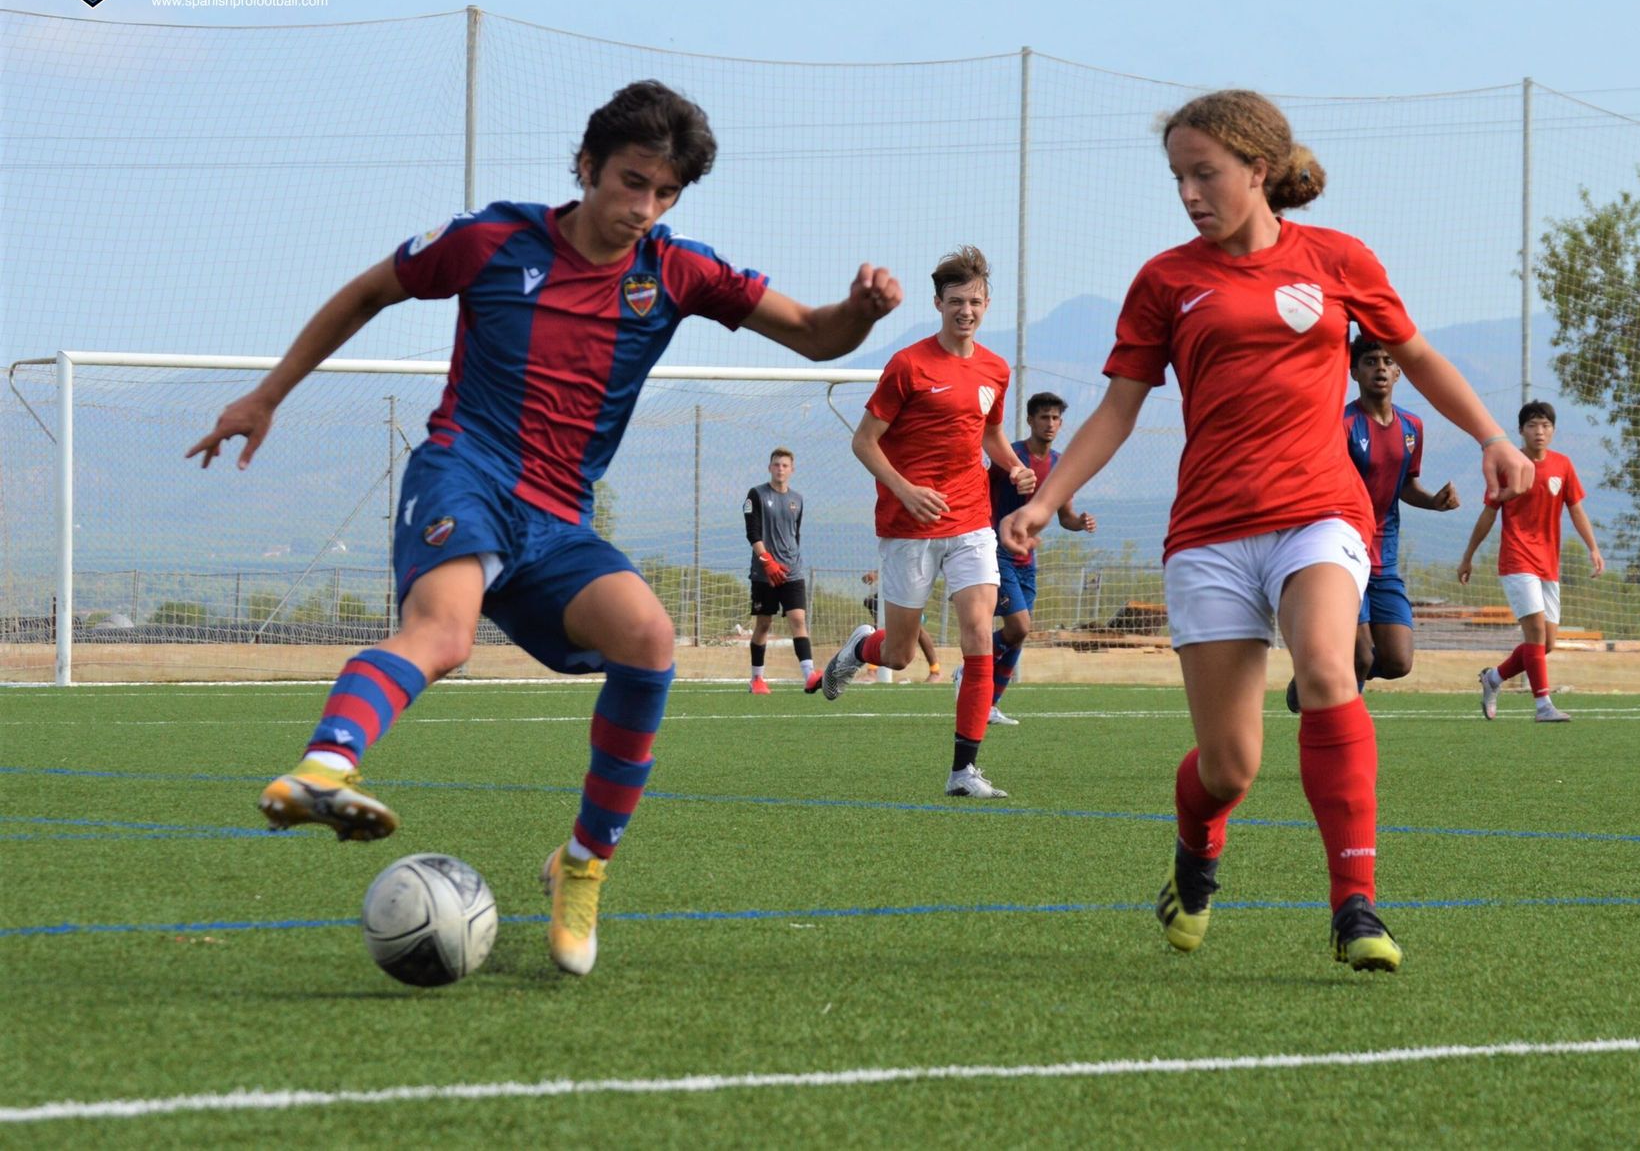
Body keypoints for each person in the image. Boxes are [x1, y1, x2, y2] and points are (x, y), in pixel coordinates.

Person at [186, 80, 901, 977]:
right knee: (442, 636)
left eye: (665, 193)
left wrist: (862, 312)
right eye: (630, 181)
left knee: (648, 637)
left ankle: (581, 865)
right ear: (587, 167)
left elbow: (813, 334)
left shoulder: (677, 271)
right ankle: (326, 767)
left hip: (560, 516)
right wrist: (266, 394)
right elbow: (369, 291)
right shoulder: (491, 240)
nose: (643, 207)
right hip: (465, 471)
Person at [1000, 90, 1531, 972]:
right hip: (1208, 532)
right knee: (1230, 768)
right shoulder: (1165, 280)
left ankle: (1354, 906)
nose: (1188, 192)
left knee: (1330, 667)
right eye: (1177, 175)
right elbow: (1120, 409)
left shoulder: (1336, 259)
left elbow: (1423, 356)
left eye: (1204, 173)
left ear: (1259, 170)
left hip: (1319, 513)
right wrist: (1046, 498)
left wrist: (1492, 437)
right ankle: (1195, 853)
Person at [819, 246, 1036, 801]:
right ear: (938, 303)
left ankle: (964, 770)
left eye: (976, 302)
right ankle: (860, 649)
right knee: (900, 655)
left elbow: (989, 433)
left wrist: (1013, 467)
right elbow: (863, 442)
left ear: (987, 304)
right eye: (956, 301)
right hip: (907, 525)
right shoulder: (907, 366)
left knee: (976, 630)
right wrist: (906, 490)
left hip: (970, 520)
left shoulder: (995, 368)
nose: (966, 311)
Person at [1287, 337, 1460, 711]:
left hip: (1385, 556)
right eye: (1369, 361)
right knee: (1361, 657)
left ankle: (1315, 676)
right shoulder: (1343, 424)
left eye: (1387, 361)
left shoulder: (1412, 427)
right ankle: (1337, 737)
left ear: (1398, 371)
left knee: (1398, 661)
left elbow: (1406, 486)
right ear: (1354, 372)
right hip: (1343, 553)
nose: (1380, 368)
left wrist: (1433, 502)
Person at [1457, 400, 1604, 723]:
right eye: (1533, 426)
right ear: (1521, 431)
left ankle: (1493, 678)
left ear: (1553, 430)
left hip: (1548, 564)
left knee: (1546, 643)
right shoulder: (1510, 464)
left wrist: (1592, 547)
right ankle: (1543, 706)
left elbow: (1576, 509)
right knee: (1535, 633)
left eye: (1546, 425)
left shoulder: (1563, 465)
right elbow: (1488, 513)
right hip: (1516, 558)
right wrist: (1468, 556)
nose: (1540, 431)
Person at [974, 391, 1096, 725]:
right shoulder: (1010, 457)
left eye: (1056, 418)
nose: (1050, 423)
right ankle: (967, 670)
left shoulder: (1059, 464)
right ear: (1030, 420)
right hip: (998, 552)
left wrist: (1080, 522)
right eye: (1044, 417)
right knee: (1019, 625)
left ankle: (988, 705)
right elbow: (980, 492)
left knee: (1018, 634)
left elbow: (1065, 516)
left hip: (1028, 560)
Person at [743, 447, 820, 693]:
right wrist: (767, 560)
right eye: (776, 464)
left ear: (792, 470)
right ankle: (757, 679)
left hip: (792, 571)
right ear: (770, 468)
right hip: (764, 572)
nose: (780, 469)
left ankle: (809, 676)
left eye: (785, 465)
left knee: (798, 619)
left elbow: (794, 534)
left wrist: (789, 559)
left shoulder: (797, 499)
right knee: (764, 624)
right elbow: (752, 532)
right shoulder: (755, 494)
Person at [859, 570, 941, 682]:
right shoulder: (889, 560)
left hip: (908, 596)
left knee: (918, 630)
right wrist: (872, 576)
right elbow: (870, 577)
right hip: (889, 596)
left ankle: (935, 671)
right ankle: (872, 672)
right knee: (878, 625)